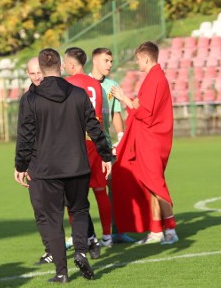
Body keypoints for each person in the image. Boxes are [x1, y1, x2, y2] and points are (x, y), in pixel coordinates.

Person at [14, 48, 113, 283]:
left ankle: (61, 271)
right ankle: (80, 250)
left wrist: (21, 165)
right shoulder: (78, 95)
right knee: (79, 211)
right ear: (60, 67)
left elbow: (25, 136)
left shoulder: (30, 99)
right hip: (76, 165)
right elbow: (95, 127)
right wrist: (106, 156)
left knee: (52, 219)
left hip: (45, 170)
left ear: (41, 69)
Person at [110, 41, 178, 245]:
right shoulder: (153, 77)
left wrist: (123, 98)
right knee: (150, 184)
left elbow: (144, 113)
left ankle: (171, 230)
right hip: (148, 138)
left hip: (152, 139)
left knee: (156, 184)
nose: (137, 62)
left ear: (146, 58)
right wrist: (131, 102)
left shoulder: (156, 78)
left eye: (138, 58)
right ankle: (156, 230)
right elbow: (141, 106)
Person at [64, 47, 114, 247]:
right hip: (96, 142)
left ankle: (80, 236)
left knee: (74, 194)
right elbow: (100, 117)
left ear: (72, 65)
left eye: (65, 64)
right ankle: (107, 236)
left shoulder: (67, 84)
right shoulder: (96, 85)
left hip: (77, 144)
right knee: (101, 191)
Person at [90, 47, 137, 244]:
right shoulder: (84, 84)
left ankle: (116, 231)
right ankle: (84, 235)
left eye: (111, 61)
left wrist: (120, 136)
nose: (110, 64)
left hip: (107, 147)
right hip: (87, 146)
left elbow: (116, 114)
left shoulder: (112, 85)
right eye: (106, 60)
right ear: (95, 62)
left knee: (113, 188)